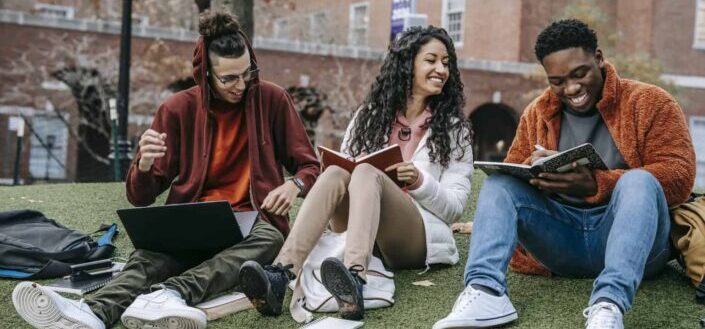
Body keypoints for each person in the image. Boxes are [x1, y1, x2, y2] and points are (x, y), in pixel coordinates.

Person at [11, 11, 320, 329]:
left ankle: (171, 294)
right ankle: (91, 312)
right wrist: (144, 164)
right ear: (206, 74)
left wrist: (293, 184)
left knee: (270, 237)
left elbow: (310, 166)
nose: (241, 84)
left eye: (247, 73)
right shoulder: (177, 109)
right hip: (192, 221)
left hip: (252, 224)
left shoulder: (273, 100)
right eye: (229, 78)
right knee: (148, 258)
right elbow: (139, 196)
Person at [434, 19, 696, 329]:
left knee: (638, 180)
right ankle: (485, 290)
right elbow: (515, 170)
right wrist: (537, 173)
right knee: (500, 182)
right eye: (557, 80)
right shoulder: (537, 111)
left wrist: (597, 184)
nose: (571, 89)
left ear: (598, 58)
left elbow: (680, 176)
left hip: (635, 244)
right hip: (561, 241)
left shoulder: (651, 102)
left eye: (579, 73)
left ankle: (608, 305)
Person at [237, 26, 474, 321]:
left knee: (366, 174)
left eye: (446, 62)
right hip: (357, 227)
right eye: (431, 60)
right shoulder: (369, 115)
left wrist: (418, 181)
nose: (441, 69)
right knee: (338, 171)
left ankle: (354, 279)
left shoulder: (453, 128)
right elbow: (346, 169)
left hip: (413, 237)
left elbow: (454, 208)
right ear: (407, 64)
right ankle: (279, 274)